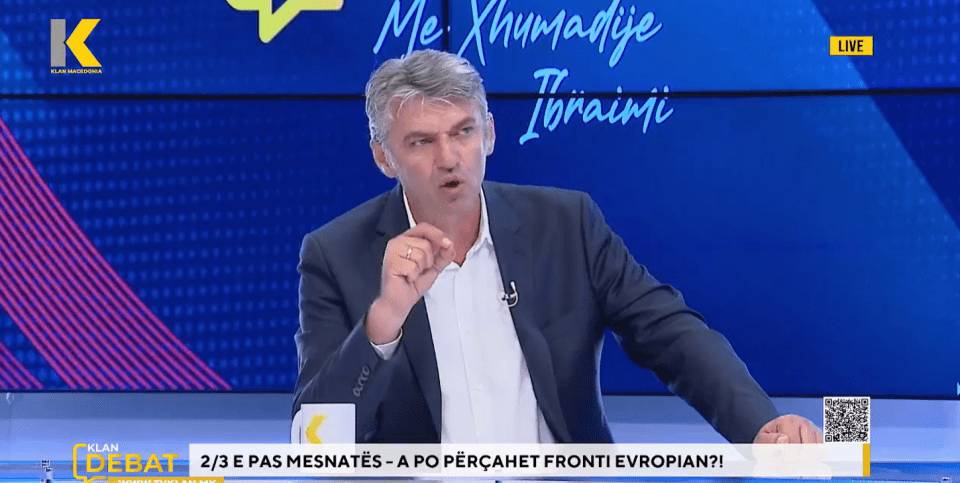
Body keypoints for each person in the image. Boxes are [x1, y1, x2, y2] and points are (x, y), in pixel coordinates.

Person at [293, 49, 821, 444]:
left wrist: (760, 424)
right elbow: (316, 440)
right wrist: (384, 321)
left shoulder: (567, 225)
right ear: (383, 157)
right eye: (422, 142)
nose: (450, 158)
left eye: (463, 132)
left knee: (845, 439)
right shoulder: (336, 255)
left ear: (490, 133)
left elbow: (670, 334)